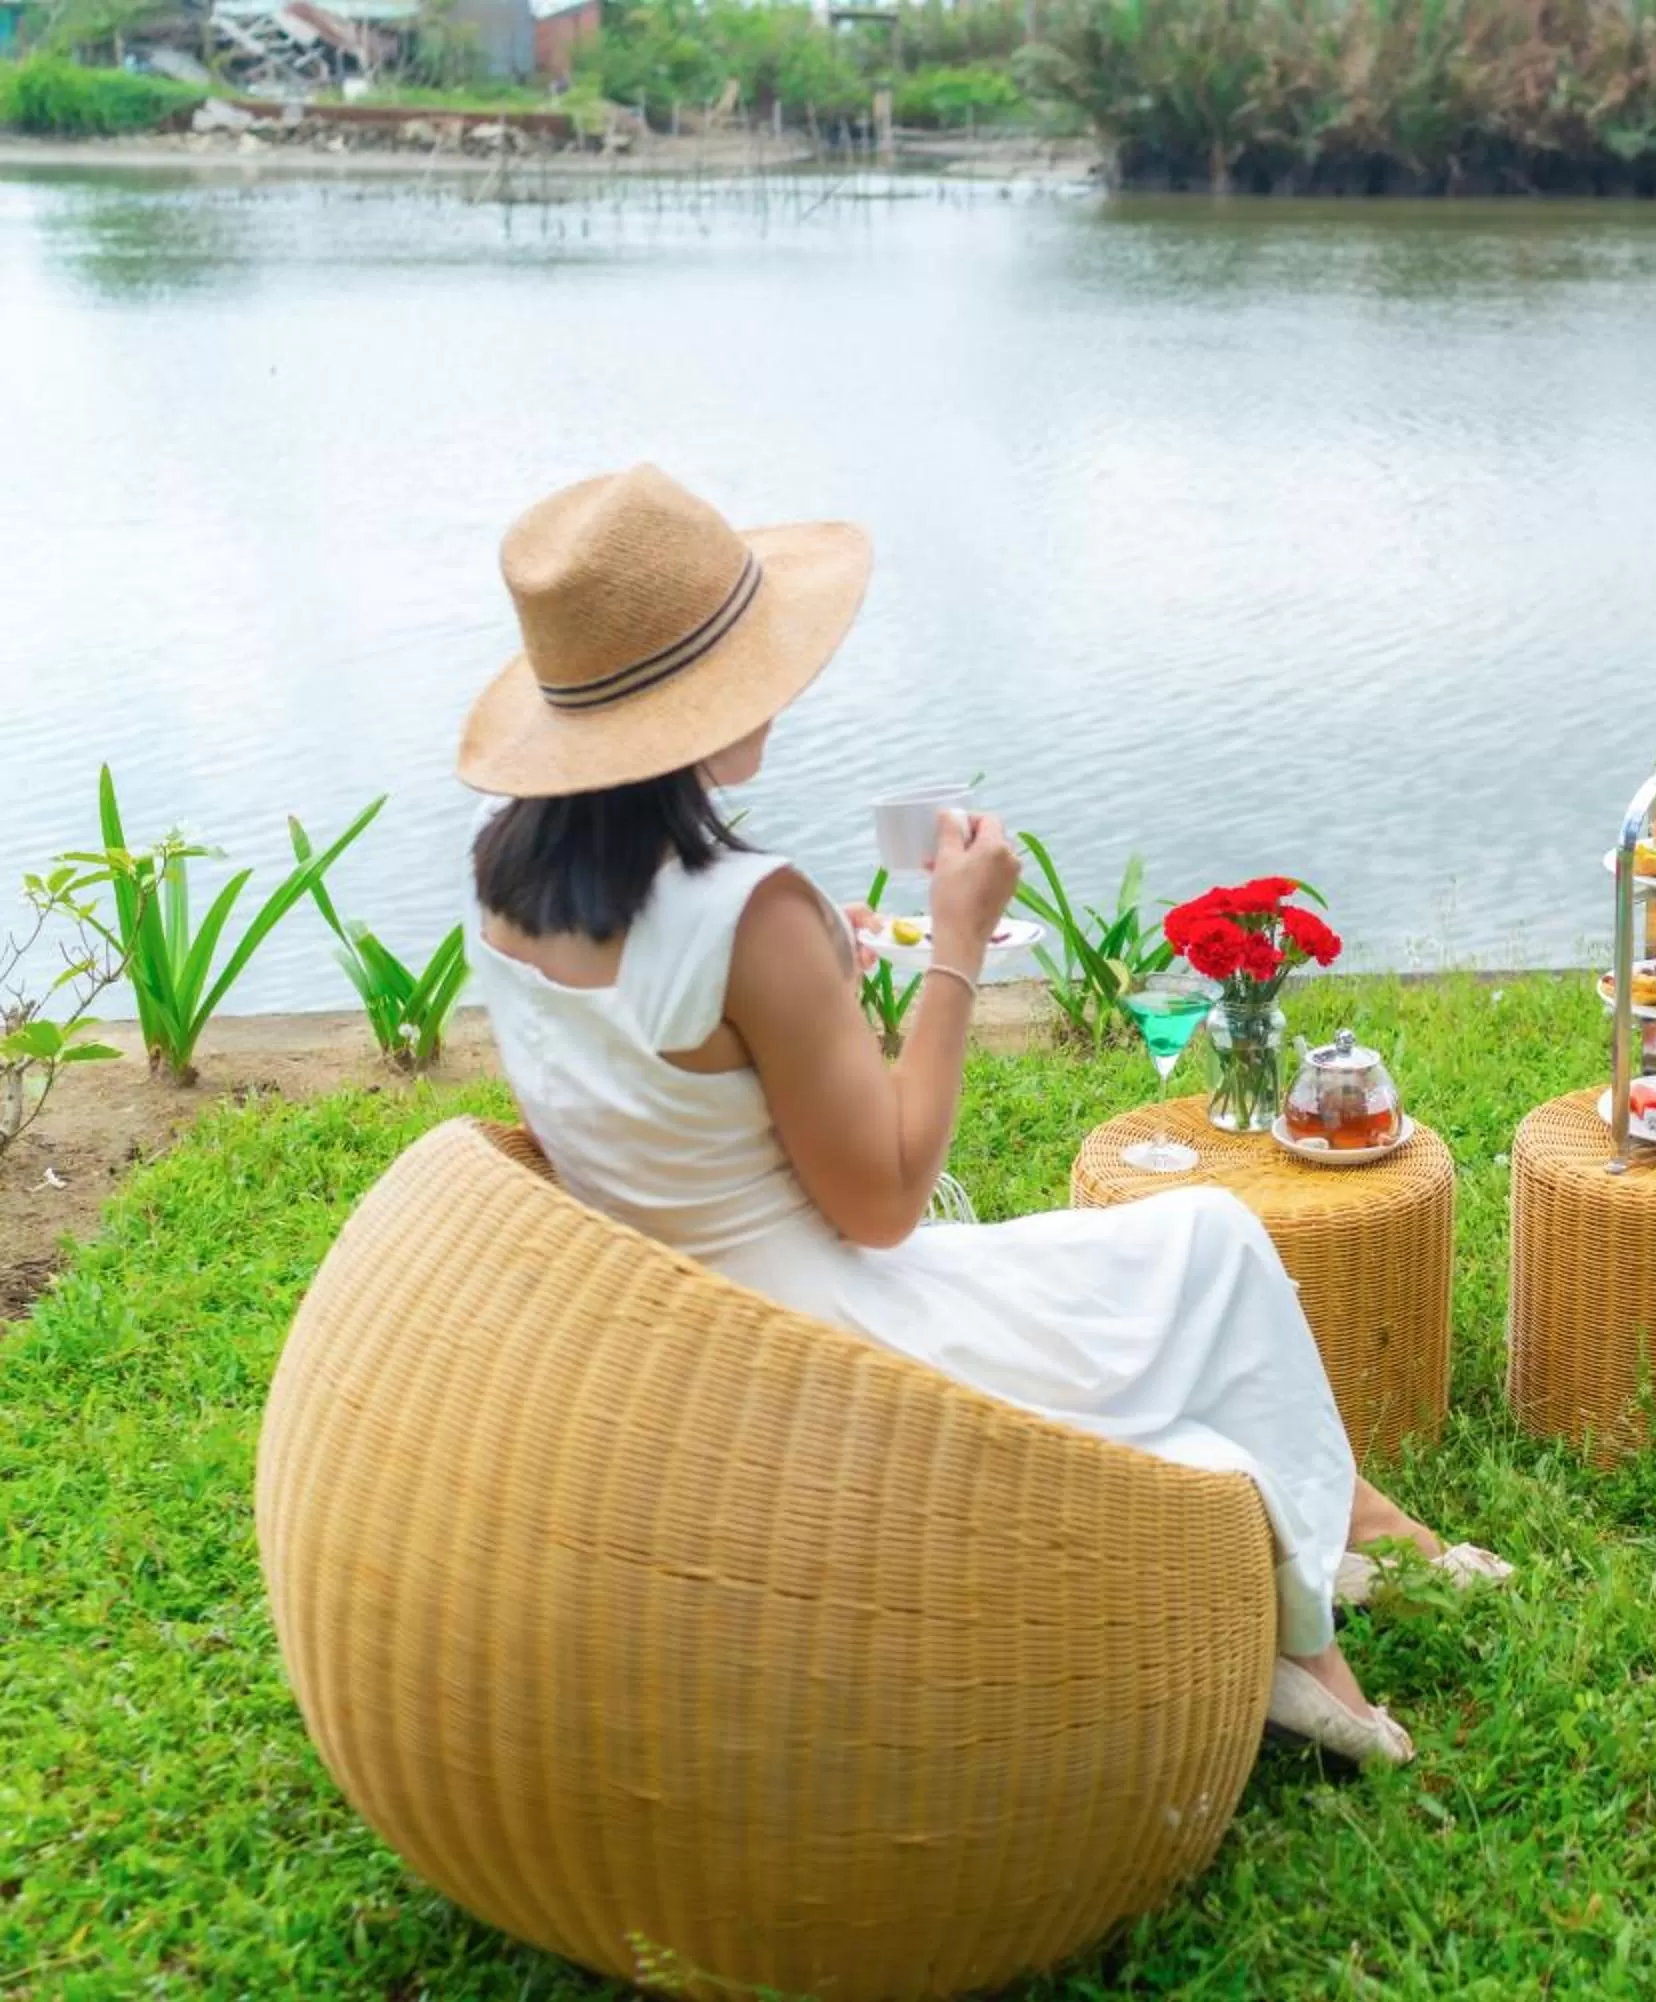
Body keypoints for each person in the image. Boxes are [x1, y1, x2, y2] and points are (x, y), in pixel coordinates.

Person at [456, 464, 1504, 1768]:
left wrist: (800, 983)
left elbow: (633, 1090)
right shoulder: (744, 910)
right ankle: (1313, 1640)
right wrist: (952, 946)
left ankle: (1356, 1532)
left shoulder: (505, 887)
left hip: (694, 1330)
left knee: (1193, 1263)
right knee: (1214, 1244)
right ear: (710, 694)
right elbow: (888, 1200)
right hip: (835, 1345)